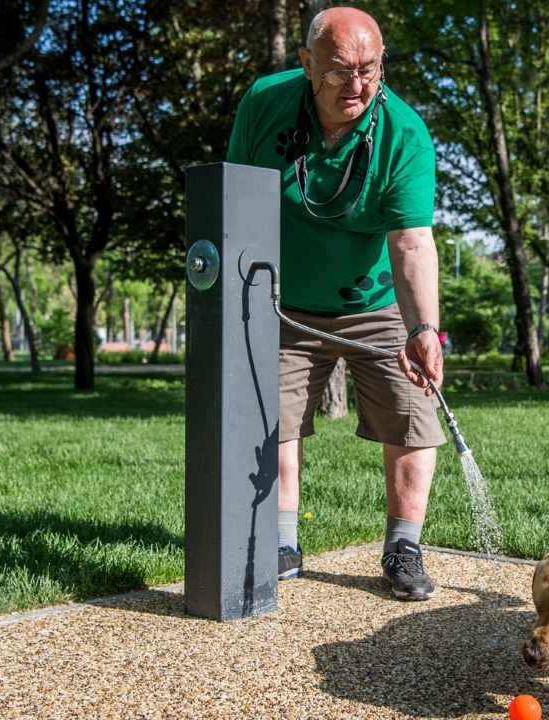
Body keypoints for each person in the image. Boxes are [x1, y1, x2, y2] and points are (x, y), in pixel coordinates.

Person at [226, 7, 445, 600]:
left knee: (411, 413)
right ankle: (280, 543)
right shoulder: (264, 103)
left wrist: (423, 326)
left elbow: (411, 241)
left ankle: (404, 547)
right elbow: (238, 203)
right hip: (282, 300)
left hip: (376, 301)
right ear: (306, 65)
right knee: (273, 421)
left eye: (370, 69)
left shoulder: (404, 133)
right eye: (341, 70)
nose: (357, 85)